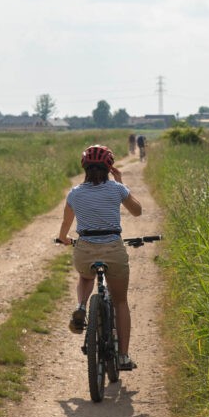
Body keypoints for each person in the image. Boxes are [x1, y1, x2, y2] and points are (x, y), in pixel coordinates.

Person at [58, 144, 143, 370]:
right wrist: (121, 183)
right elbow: (137, 211)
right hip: (113, 250)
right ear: (109, 167)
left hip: (85, 250)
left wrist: (64, 238)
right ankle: (123, 356)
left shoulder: (75, 193)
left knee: (86, 277)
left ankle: (82, 306)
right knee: (120, 301)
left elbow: (65, 225)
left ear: (84, 167)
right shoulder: (116, 189)